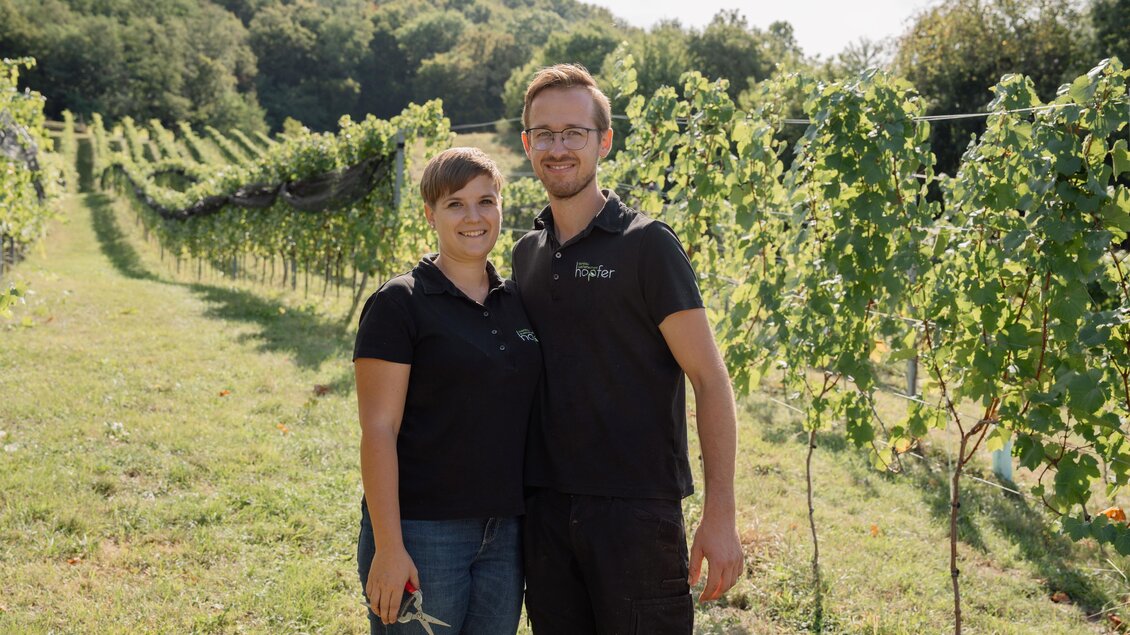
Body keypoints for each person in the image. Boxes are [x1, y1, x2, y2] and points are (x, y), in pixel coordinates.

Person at [511, 64, 745, 634]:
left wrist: (721, 515)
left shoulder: (647, 247)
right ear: (526, 144)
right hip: (544, 512)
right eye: (544, 133)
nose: (558, 147)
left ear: (604, 141)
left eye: (574, 132)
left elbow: (710, 380)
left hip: (635, 515)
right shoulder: (525, 255)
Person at [353, 147, 541, 634]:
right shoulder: (400, 303)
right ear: (430, 214)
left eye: (486, 201)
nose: (473, 216)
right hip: (422, 532)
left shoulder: (517, 301)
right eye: (455, 204)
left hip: (504, 532)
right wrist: (390, 549)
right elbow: (378, 430)